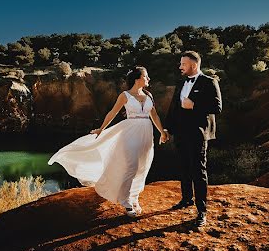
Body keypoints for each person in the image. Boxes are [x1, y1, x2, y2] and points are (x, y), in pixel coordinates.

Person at [48, 66, 168, 217]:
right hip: (130, 133)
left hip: (146, 133)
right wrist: (101, 129)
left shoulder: (149, 95)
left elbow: (154, 116)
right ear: (138, 79)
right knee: (131, 165)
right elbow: (112, 112)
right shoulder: (125, 95)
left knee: (142, 166)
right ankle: (126, 201)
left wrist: (162, 131)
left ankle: (134, 197)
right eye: (146, 76)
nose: (148, 79)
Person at [163, 51, 222, 228]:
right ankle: (186, 199)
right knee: (183, 167)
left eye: (183, 64)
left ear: (194, 65)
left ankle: (202, 211)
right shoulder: (181, 82)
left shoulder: (210, 82)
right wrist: (167, 129)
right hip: (180, 133)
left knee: (198, 170)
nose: (180, 67)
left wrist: (195, 105)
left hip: (198, 134)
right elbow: (173, 107)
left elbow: (217, 107)